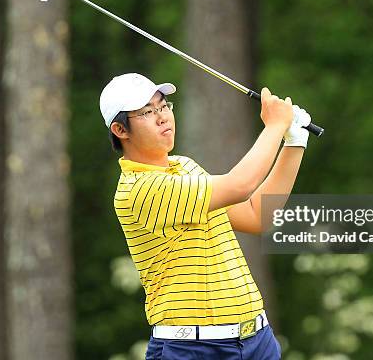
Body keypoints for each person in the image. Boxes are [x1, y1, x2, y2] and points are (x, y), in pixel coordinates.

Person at [99, 73, 311, 359]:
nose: (162, 117)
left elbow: (256, 215)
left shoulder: (185, 167)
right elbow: (240, 185)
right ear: (120, 130)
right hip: (194, 349)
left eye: (163, 106)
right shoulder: (138, 189)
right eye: (147, 112)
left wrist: (294, 142)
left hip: (257, 341)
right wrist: (274, 126)